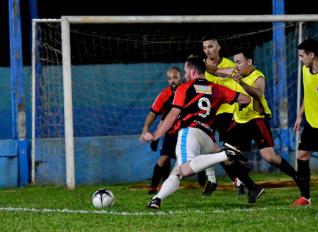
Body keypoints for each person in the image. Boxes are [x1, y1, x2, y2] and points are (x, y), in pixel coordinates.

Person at [143, 55, 251, 209]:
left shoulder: (184, 88)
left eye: (186, 72)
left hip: (190, 131)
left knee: (185, 169)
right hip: (207, 136)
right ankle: (157, 199)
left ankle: (225, 154)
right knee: (177, 171)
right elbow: (245, 99)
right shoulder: (217, 88)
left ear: (193, 71)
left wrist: (156, 135)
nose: (185, 76)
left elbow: (173, 115)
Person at [218, 48, 303, 203]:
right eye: (234, 62)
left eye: (239, 62)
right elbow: (218, 71)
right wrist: (214, 70)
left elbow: (258, 94)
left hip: (257, 119)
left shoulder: (258, 76)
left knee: (269, 156)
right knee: (227, 157)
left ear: (249, 62)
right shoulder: (235, 72)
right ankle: (252, 188)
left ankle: (297, 176)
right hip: (239, 120)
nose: (235, 66)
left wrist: (241, 82)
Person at [202, 34, 246, 196]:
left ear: (218, 47)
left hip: (228, 113)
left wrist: (238, 111)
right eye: (205, 48)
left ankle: (240, 182)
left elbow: (239, 88)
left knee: (231, 150)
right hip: (209, 114)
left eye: (211, 46)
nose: (208, 50)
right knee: (204, 146)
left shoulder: (231, 64)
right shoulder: (204, 67)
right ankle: (212, 180)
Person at [139, 67, 183, 194]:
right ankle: (154, 187)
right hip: (170, 132)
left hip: (187, 131)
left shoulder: (188, 90)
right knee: (163, 158)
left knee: (189, 160)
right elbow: (153, 113)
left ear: (181, 77)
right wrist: (145, 129)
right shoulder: (164, 94)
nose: (172, 81)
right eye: (169, 78)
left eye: (175, 77)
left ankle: (206, 179)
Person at [293, 38, 318, 206]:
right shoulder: (305, 70)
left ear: (312, 54)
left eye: (302, 56)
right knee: (302, 156)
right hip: (311, 123)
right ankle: (305, 197)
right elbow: (308, 95)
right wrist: (300, 115)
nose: (300, 59)